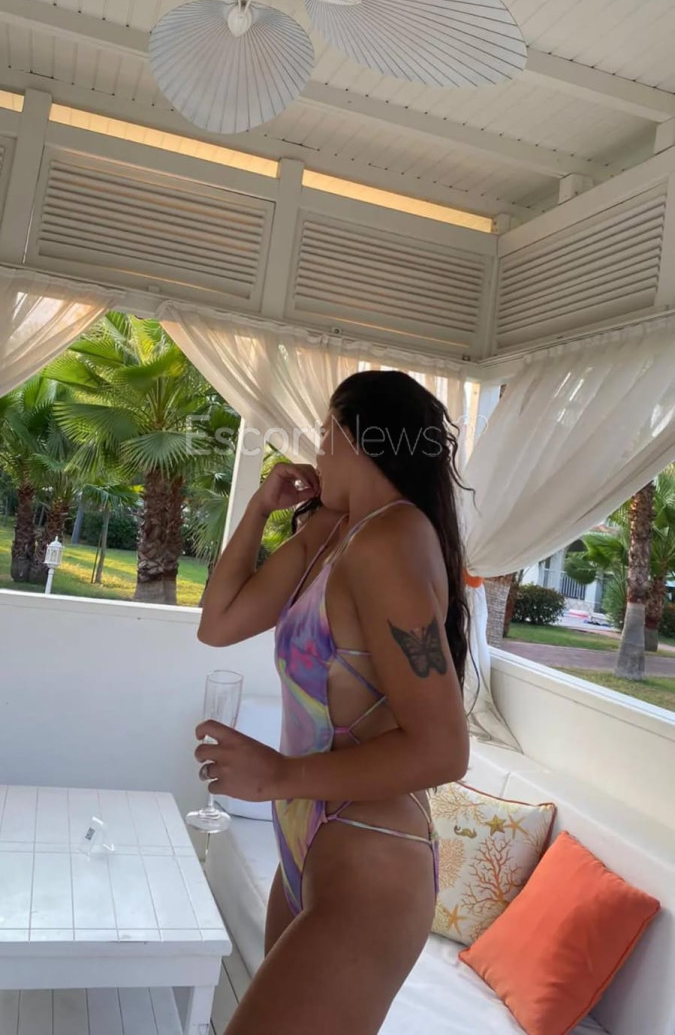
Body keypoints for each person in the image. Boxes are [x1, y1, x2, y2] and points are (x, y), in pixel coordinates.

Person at [196, 370, 470, 1035]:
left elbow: (443, 749)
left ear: (357, 439)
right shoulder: (335, 532)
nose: (316, 452)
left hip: (371, 860)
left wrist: (280, 774)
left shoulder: (390, 541)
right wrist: (259, 509)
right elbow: (219, 622)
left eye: (324, 434)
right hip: (309, 844)